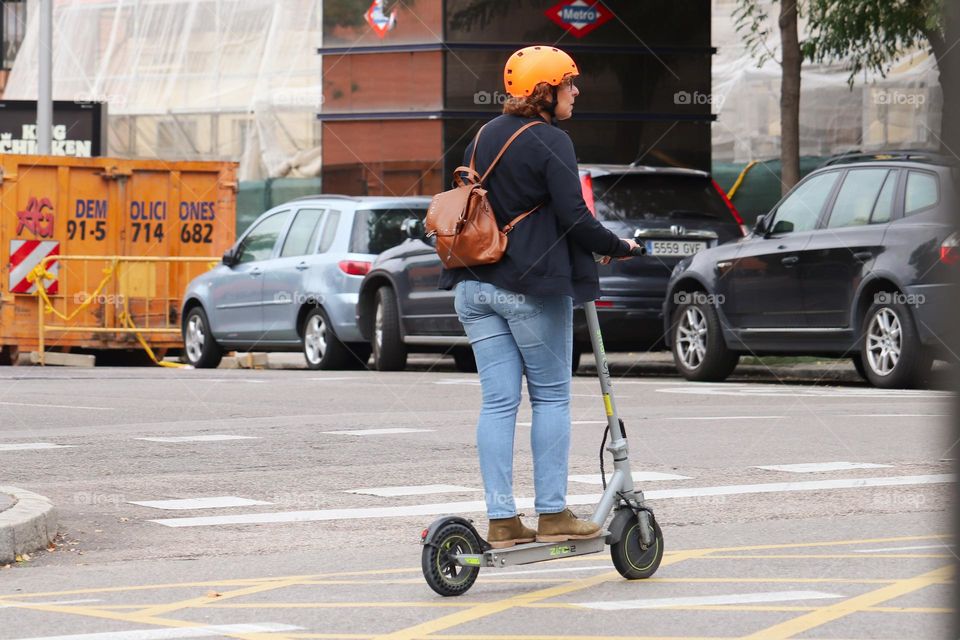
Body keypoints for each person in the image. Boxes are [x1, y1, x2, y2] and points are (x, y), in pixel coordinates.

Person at [438, 46, 640, 548]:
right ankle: (552, 513)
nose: (577, 91)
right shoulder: (552, 140)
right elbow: (575, 215)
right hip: (528, 287)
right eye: (570, 83)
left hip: (473, 283)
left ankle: (502, 520)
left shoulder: (486, 134)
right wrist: (618, 247)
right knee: (550, 395)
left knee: (499, 403)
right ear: (545, 91)